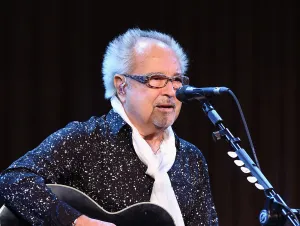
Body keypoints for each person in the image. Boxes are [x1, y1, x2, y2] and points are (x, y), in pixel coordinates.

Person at [0, 28, 218, 226]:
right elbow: (12, 180)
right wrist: (77, 222)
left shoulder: (190, 159)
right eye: (156, 79)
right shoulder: (86, 139)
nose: (172, 91)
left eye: (177, 80)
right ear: (121, 86)